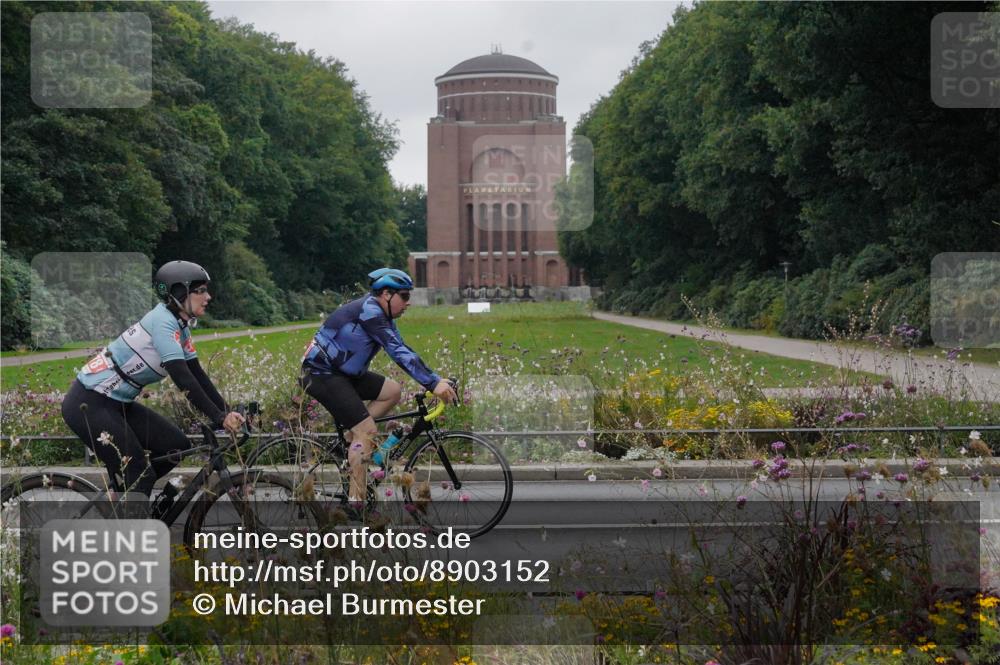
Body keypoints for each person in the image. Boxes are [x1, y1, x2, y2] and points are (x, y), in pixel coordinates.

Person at [61, 260, 245, 505]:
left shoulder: (180, 327)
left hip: (117, 404)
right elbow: (182, 378)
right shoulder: (163, 323)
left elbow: (196, 373)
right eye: (200, 291)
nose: (208, 297)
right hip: (88, 403)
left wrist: (224, 411)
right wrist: (220, 417)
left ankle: (125, 499)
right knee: (139, 472)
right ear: (179, 293)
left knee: (175, 447)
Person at [300, 268, 457, 502]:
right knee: (368, 431)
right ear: (386, 294)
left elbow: (403, 348)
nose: (408, 303)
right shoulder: (370, 312)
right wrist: (433, 383)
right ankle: (356, 503)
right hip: (321, 374)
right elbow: (397, 353)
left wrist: (435, 379)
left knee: (392, 391)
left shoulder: (383, 315)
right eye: (404, 296)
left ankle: (354, 441)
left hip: (344, 373)